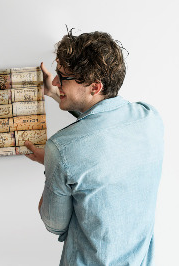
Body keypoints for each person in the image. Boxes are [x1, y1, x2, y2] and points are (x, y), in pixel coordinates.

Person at [24, 31, 164, 265]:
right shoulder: (150, 118)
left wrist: (52, 163)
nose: (56, 81)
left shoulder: (61, 149)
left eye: (62, 77)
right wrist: (54, 93)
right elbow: (103, 124)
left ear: (95, 87)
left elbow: (54, 224)